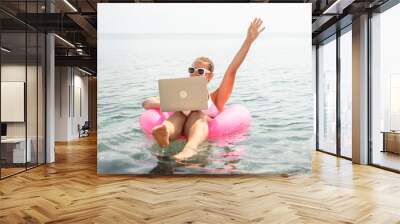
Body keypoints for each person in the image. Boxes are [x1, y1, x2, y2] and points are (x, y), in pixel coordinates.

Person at [142, 18, 265, 160]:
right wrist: (174, 103)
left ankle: (190, 149)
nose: (194, 73)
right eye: (192, 69)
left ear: (210, 77)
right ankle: (165, 133)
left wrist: (248, 41)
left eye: (200, 71)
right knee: (179, 114)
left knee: (198, 115)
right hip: (179, 126)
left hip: (200, 128)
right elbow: (146, 103)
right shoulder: (177, 94)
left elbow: (232, 70)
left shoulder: (216, 98)